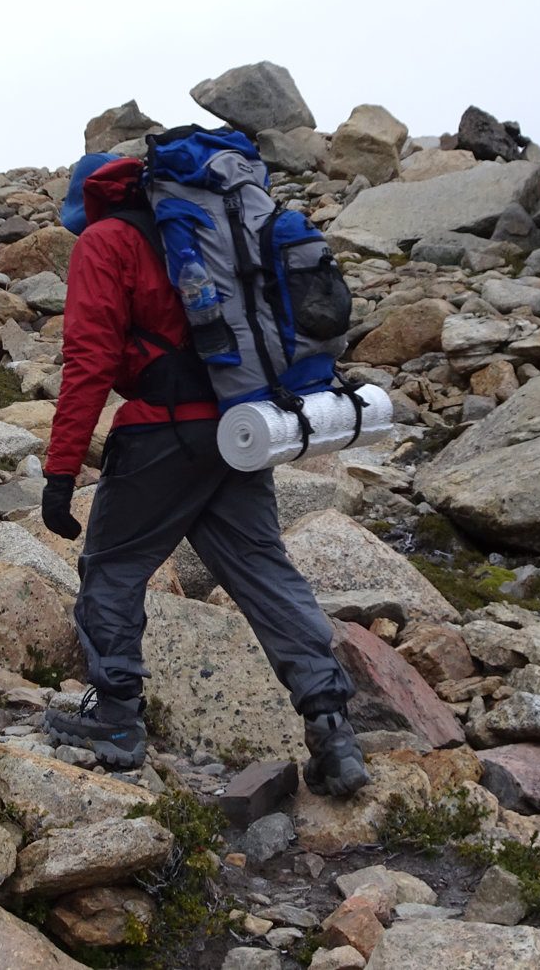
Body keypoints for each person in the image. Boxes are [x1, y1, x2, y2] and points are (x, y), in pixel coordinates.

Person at [40, 155, 370, 797]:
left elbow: (90, 359)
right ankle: (333, 730)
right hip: (238, 429)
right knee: (262, 570)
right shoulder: (209, 234)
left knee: (112, 565)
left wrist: (60, 469)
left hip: (161, 433)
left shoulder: (107, 242)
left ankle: (115, 718)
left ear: (89, 203)